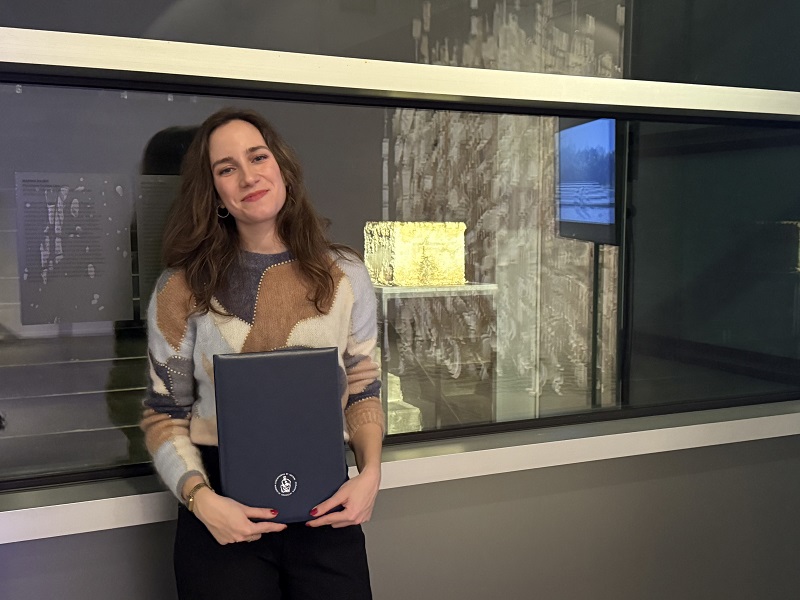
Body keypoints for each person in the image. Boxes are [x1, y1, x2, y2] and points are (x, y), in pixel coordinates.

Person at [140, 107, 384, 600]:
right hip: (220, 513)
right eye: (226, 168)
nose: (248, 176)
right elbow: (164, 413)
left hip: (327, 504)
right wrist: (202, 501)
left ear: (282, 168)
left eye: (258, 157)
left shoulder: (346, 274)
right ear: (215, 194)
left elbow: (363, 384)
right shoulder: (180, 289)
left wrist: (371, 474)